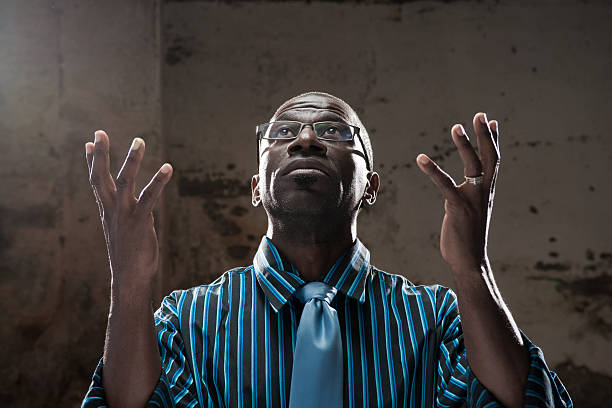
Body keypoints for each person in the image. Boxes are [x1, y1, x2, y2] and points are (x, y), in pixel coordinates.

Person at [82, 91, 572, 408]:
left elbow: (527, 402)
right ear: (256, 187)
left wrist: (473, 269)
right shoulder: (186, 321)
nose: (307, 139)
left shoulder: (438, 319)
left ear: (372, 185)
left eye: (336, 131)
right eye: (283, 132)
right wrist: (127, 282)